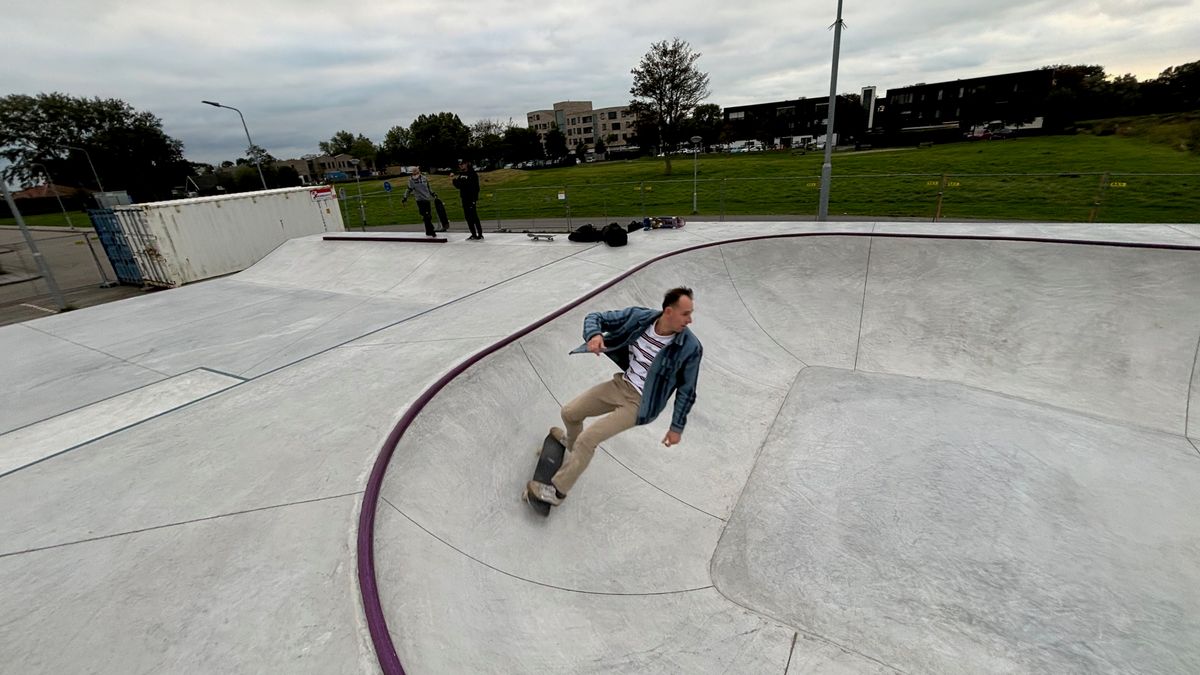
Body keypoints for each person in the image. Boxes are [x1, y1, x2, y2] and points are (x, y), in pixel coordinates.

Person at [527, 287, 703, 507]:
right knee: (570, 413)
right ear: (668, 311)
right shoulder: (641, 318)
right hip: (621, 384)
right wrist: (594, 334)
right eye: (685, 314)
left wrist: (676, 427)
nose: (690, 320)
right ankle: (571, 446)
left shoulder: (690, 348)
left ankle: (557, 492)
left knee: (588, 440)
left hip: (640, 404)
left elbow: (687, 390)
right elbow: (595, 317)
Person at [401, 167, 442, 237]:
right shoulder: (411, 180)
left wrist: (433, 193)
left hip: (427, 199)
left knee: (428, 216)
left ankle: (428, 231)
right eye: (413, 173)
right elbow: (408, 190)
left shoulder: (424, 178)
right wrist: (405, 197)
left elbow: (429, 187)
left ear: (419, 172)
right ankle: (432, 230)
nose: (415, 174)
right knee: (426, 215)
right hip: (420, 200)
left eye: (416, 172)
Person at [450, 159, 483, 240]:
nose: (461, 166)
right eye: (460, 164)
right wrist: (453, 179)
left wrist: (474, 199)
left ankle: (480, 234)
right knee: (468, 217)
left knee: (474, 216)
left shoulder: (472, 174)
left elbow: (475, 187)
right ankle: (473, 234)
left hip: (471, 199)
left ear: (467, 164)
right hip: (464, 198)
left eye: (463, 164)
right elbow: (458, 185)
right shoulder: (461, 174)